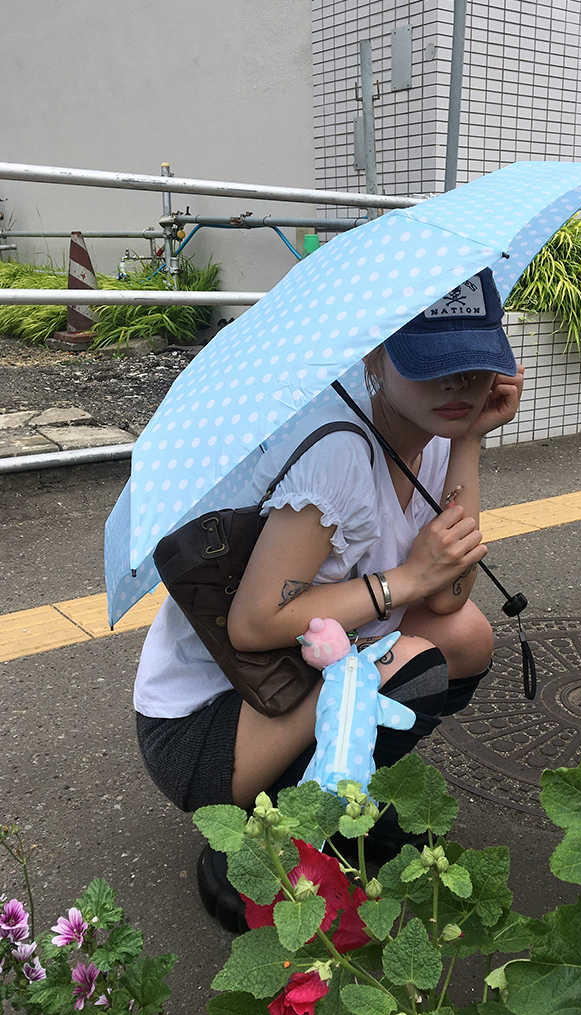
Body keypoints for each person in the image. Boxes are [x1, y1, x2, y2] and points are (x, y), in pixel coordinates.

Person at [132, 267, 524, 929]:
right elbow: (254, 624)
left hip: (299, 679)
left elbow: (450, 598)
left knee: (465, 636)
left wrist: (468, 443)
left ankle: (339, 805)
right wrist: (405, 580)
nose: (458, 384)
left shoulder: (434, 437)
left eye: (475, 362)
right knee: (412, 665)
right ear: (374, 357)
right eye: (432, 364)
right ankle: (259, 845)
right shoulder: (338, 451)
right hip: (206, 727)